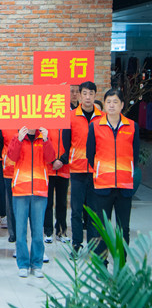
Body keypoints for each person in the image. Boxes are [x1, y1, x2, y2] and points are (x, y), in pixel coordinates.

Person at [87, 89, 139, 259]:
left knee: (123, 228)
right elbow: (90, 154)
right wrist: (101, 170)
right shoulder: (95, 126)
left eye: (115, 102)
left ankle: (120, 264)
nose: (111, 105)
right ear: (104, 105)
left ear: (122, 105)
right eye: (108, 102)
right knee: (101, 228)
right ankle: (101, 264)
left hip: (124, 186)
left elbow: (135, 155)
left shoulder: (132, 126)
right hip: (103, 185)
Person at [61, 81, 103, 255]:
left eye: (91, 94)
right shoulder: (71, 116)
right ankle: (76, 244)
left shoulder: (102, 117)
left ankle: (93, 247)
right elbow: (66, 141)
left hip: (95, 171)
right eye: (84, 93)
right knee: (76, 210)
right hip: (77, 170)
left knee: (93, 212)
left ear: (95, 96)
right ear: (79, 95)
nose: (87, 97)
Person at [7, 126, 55, 278]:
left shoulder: (44, 137)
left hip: (40, 190)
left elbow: (51, 158)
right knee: (20, 231)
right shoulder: (17, 136)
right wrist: (19, 140)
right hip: (20, 190)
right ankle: (22, 264)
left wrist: (46, 140)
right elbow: (11, 157)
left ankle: (37, 264)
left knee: (38, 232)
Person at [44, 126, 70, 243]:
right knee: (47, 202)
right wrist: (52, 161)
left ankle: (61, 231)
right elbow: (43, 144)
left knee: (62, 203)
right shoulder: (46, 123)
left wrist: (62, 160)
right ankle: (48, 231)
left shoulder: (68, 123)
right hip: (48, 169)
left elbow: (72, 144)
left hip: (64, 169)